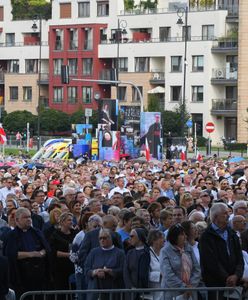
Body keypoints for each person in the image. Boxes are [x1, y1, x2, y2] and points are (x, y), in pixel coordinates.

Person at [199, 203, 244, 300]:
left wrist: (236, 275)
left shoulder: (232, 234)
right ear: (216, 217)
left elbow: (239, 258)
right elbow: (210, 262)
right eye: (225, 213)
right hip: (216, 285)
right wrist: (227, 278)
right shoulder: (206, 237)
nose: (228, 216)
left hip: (234, 284)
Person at [4, 207, 50, 298]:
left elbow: (47, 249)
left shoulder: (37, 232)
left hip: (39, 275)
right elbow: (11, 254)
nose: (29, 219)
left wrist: (42, 253)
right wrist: (32, 254)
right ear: (17, 220)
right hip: (21, 276)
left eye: (29, 217)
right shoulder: (11, 235)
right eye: (25, 217)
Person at [160, 224, 201, 300]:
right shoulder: (165, 251)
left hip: (190, 293)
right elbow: (167, 274)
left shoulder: (188, 248)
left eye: (185, 234)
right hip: (173, 294)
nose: (185, 236)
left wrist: (191, 286)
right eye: (182, 234)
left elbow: (197, 269)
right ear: (174, 237)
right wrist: (184, 287)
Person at [84, 228, 125, 300]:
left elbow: (123, 270)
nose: (102, 240)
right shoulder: (93, 252)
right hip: (96, 291)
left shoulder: (120, 253)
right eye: (100, 238)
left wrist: (110, 271)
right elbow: (86, 269)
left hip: (114, 291)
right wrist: (95, 272)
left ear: (111, 238)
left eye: (105, 238)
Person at [49, 212, 77, 290]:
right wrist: (69, 255)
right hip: (60, 268)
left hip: (73, 266)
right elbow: (53, 252)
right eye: (69, 220)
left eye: (72, 220)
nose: (71, 222)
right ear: (62, 222)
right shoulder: (55, 235)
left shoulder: (75, 233)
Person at [147, 230, 164, 300]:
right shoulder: (147, 254)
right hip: (154, 291)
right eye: (161, 238)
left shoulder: (164, 252)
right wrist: (159, 274)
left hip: (165, 289)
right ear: (154, 240)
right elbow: (145, 275)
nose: (164, 240)